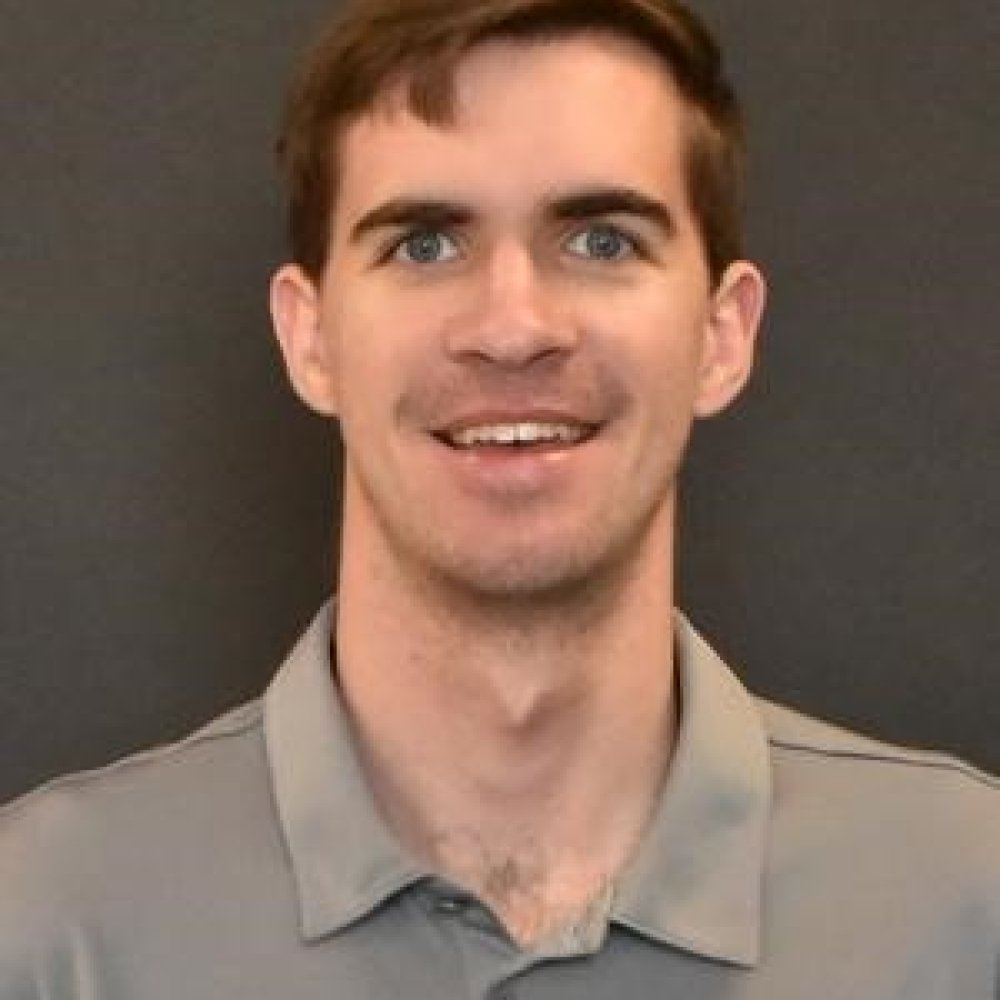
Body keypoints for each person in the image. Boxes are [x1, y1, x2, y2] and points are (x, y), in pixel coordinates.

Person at [1, 0, 997, 996]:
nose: (513, 327)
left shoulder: (964, 912)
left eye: (600, 241)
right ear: (310, 340)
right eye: (425, 244)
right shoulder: (47, 929)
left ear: (721, 334)